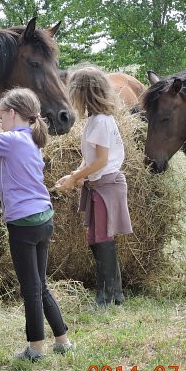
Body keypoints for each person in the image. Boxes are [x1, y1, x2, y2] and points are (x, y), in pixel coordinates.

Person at [0, 87, 72, 361]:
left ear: (12, 113)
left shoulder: (15, 139)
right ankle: (63, 340)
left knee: (30, 288)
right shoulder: (29, 141)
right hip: (42, 219)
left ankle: (35, 348)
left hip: (24, 226)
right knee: (40, 285)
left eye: (0, 116)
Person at [55, 65, 132, 306]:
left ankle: (106, 295)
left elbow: (101, 160)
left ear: (84, 93)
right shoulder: (97, 119)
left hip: (106, 184)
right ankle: (114, 292)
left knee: (102, 238)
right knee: (96, 237)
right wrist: (75, 175)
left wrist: (75, 177)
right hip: (99, 183)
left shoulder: (100, 121)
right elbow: (91, 158)